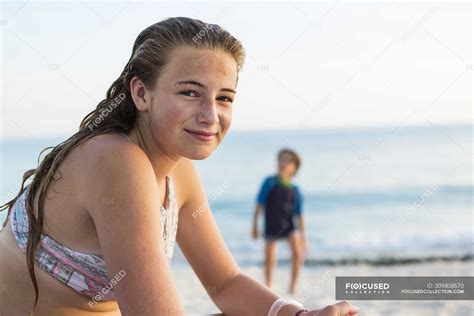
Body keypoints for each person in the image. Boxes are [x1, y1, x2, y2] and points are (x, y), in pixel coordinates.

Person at [0, 17, 358, 316]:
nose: (210, 115)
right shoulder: (116, 161)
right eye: (190, 93)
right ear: (141, 93)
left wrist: (298, 314)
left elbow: (225, 283)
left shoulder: (177, 171)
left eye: (224, 98)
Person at [252, 148, 307, 294]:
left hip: (289, 226)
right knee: (269, 259)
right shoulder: (269, 182)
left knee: (297, 253)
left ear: (294, 167)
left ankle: (292, 286)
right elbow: (259, 204)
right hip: (272, 225)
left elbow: (299, 215)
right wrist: (255, 227)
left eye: (288, 160)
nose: (283, 163)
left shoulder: (295, 190)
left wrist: (303, 237)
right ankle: (269, 287)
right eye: (281, 159)